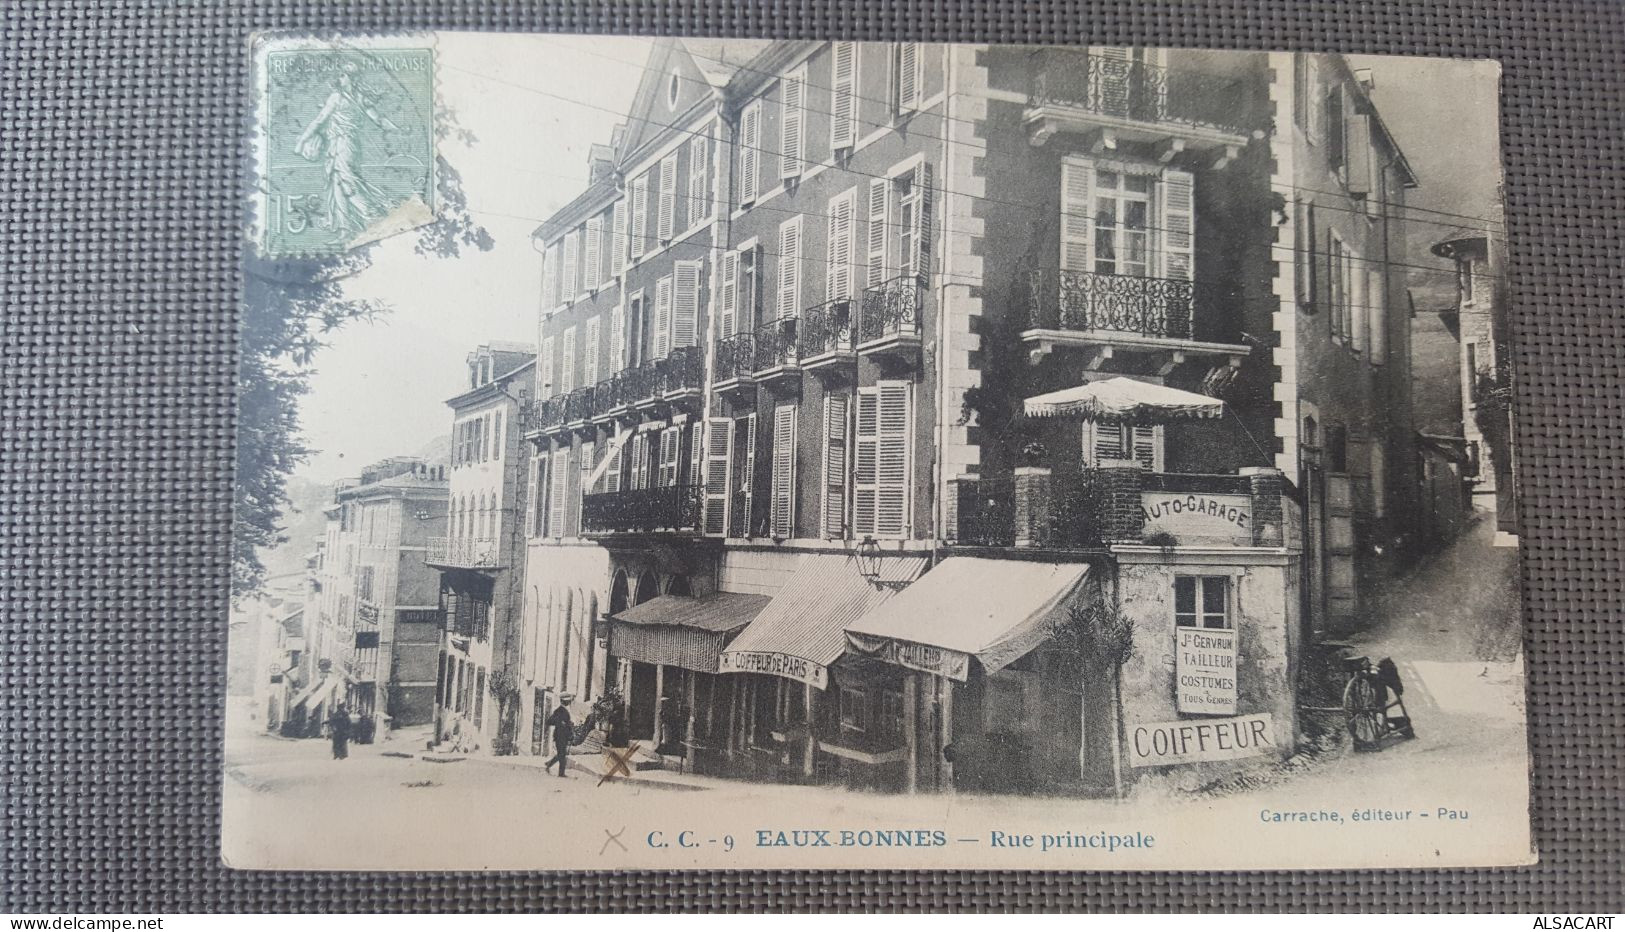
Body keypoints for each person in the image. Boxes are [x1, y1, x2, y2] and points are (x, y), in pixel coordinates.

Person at [544, 694, 575, 778]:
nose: (568, 702)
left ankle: (549, 764)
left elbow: (566, 724)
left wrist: (568, 725)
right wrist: (561, 723)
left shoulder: (564, 710)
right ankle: (560, 773)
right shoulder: (559, 710)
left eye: (568, 701)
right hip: (559, 736)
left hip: (563, 736)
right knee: (562, 754)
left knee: (561, 754)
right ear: (563, 701)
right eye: (566, 701)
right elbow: (549, 721)